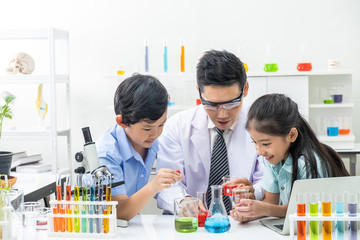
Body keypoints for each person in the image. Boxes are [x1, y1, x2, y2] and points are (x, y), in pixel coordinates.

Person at [156, 50, 264, 213]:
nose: (222, 114)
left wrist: (255, 191)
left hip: (246, 221)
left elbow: (269, 181)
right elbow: (167, 184)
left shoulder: (262, 126)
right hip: (193, 224)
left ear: (245, 89)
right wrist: (183, 202)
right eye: (212, 105)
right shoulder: (177, 127)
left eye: (231, 104)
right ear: (199, 91)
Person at [231, 93, 349, 222]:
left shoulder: (308, 162)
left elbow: (308, 211)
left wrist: (265, 210)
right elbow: (271, 201)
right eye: (254, 142)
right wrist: (250, 213)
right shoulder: (273, 158)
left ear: (291, 135)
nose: (259, 151)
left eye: (265, 144)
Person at [96, 74, 182, 221]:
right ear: (122, 121)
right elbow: (118, 214)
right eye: (147, 129)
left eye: (161, 124)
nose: (156, 134)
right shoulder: (107, 154)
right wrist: (153, 186)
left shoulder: (147, 140)